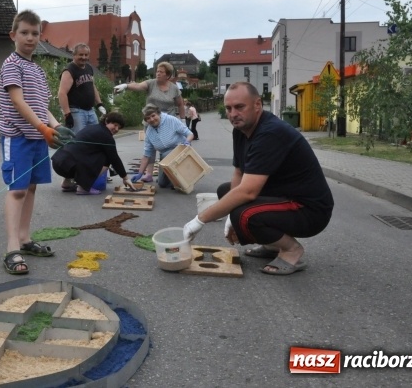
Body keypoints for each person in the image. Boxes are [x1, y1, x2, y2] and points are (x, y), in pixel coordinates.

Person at [182, 82, 334, 276]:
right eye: (228, 108)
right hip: (284, 196)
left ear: (257, 105)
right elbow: (239, 173)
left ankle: (291, 250)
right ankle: (272, 245)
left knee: (244, 215)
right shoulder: (241, 131)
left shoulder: (270, 133)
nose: (233, 114)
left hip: (309, 209)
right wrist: (229, 215)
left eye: (239, 107)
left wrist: (199, 220)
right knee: (225, 192)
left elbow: (248, 191)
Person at [0, 9, 75, 275]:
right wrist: (43, 128)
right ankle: (12, 249)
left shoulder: (38, 71)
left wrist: (57, 126)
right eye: (24, 33)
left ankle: (24, 239)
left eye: (35, 33)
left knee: (30, 189)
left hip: (38, 137)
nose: (30, 38)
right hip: (18, 137)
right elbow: (18, 101)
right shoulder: (12, 65)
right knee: (17, 190)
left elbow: (42, 107)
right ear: (13, 35)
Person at [115, 61, 186, 181]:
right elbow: (138, 86)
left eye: (161, 72)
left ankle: (170, 172)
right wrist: (126, 86)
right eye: (157, 71)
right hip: (151, 120)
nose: (158, 73)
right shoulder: (151, 83)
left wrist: (183, 120)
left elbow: (180, 104)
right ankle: (148, 174)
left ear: (167, 75)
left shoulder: (174, 88)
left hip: (167, 122)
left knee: (168, 146)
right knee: (150, 146)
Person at [56, 43, 106, 191]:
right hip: (76, 111)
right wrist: (67, 114)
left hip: (90, 111)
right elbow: (62, 93)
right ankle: (68, 179)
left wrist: (99, 103)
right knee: (77, 145)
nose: (83, 57)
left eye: (86, 55)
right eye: (80, 55)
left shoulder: (89, 68)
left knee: (95, 142)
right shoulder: (69, 70)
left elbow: (92, 87)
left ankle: (92, 173)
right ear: (74, 55)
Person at [52, 112, 136, 195]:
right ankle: (83, 187)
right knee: (106, 158)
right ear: (106, 121)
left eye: (119, 127)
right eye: (115, 125)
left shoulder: (92, 127)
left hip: (58, 162)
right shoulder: (106, 136)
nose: (117, 129)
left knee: (78, 153)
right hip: (70, 167)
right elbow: (114, 158)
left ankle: (67, 183)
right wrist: (125, 178)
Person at [132, 104, 193, 188]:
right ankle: (174, 179)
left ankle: (183, 178)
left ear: (158, 113)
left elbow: (189, 134)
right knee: (162, 183)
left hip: (181, 150)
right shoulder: (149, 132)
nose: (152, 119)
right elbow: (146, 155)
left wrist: (187, 142)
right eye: (148, 118)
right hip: (165, 158)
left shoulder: (170, 120)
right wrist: (140, 173)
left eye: (153, 115)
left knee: (166, 155)